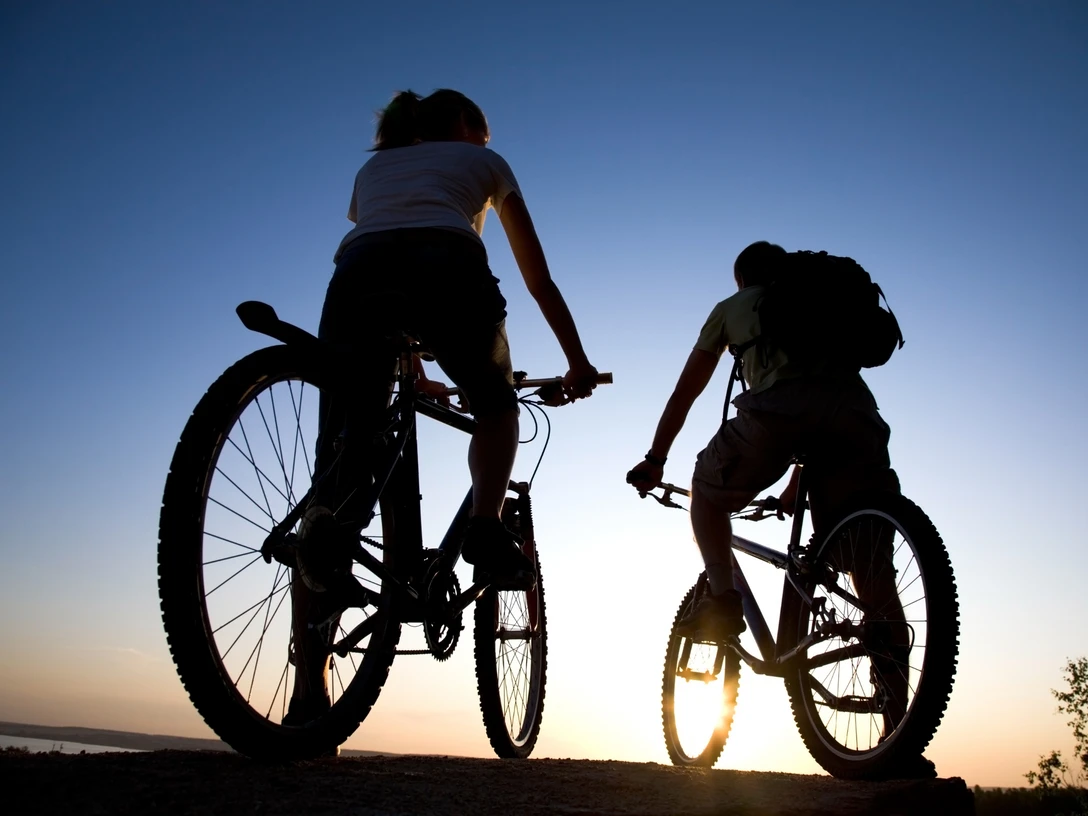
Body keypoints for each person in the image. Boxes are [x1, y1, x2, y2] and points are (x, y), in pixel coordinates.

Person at [288, 88, 599, 725]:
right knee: (496, 404)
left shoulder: (373, 169)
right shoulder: (485, 163)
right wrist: (577, 361)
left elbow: (388, 260)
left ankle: (309, 687)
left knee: (339, 479)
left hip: (355, 279)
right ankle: (486, 526)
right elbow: (536, 277)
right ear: (465, 126)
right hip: (449, 268)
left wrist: (414, 364)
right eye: (482, 134)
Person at [626, 239, 901, 641]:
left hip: (777, 415)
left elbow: (686, 392)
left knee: (705, 488)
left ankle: (721, 601)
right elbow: (819, 410)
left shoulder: (732, 308)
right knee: (869, 568)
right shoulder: (818, 303)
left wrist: (656, 458)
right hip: (858, 420)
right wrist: (795, 486)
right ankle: (903, 697)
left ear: (741, 280)